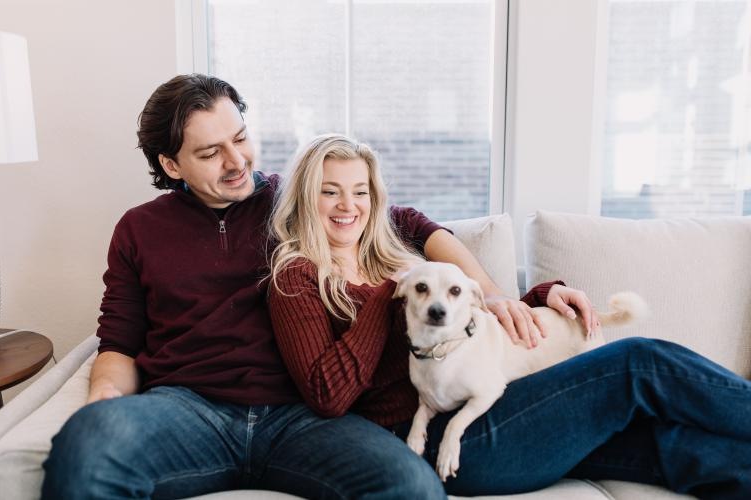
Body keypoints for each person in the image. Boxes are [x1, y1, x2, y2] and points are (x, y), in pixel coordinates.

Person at [40, 74, 571, 499]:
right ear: (170, 164)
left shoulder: (293, 198)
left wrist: (496, 292)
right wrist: (104, 398)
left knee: (411, 485)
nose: (236, 162)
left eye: (241, 138)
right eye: (209, 154)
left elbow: (406, 223)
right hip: (188, 408)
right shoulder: (139, 229)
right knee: (87, 443)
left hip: (306, 415)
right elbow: (118, 342)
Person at [267, 133, 751, 500]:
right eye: (330, 192)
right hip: (448, 441)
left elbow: (479, 298)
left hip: (514, 404)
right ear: (307, 198)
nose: (348, 206)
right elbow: (328, 395)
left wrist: (543, 295)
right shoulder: (296, 278)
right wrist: (384, 296)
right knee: (636, 364)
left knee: (672, 449)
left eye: (360, 192)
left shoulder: (398, 242)